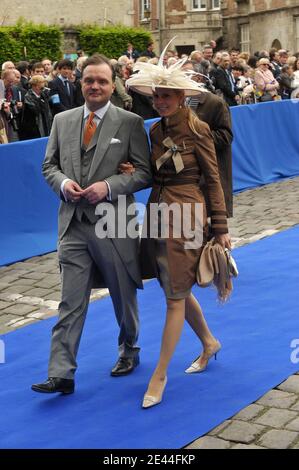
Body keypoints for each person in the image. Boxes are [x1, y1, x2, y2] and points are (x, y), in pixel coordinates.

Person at [31, 54, 152, 394]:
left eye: (101, 81)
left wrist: (109, 186)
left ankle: (129, 349)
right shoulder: (62, 121)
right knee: (70, 301)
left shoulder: (129, 122)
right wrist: (64, 185)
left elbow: (144, 172)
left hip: (114, 221)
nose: (95, 86)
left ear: (112, 85)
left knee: (123, 295)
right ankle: (62, 373)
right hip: (72, 224)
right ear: (80, 83)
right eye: (89, 80)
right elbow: (48, 166)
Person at [126, 42, 231, 408]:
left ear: (182, 97)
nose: (161, 101)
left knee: (174, 296)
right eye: (158, 96)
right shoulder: (155, 131)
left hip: (187, 213)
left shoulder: (199, 129)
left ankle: (160, 374)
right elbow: (156, 172)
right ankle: (209, 342)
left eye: (168, 96)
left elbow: (213, 179)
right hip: (157, 212)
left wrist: (220, 228)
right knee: (177, 287)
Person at [20, 75, 52, 140]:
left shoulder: (43, 95)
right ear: (34, 85)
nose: (43, 87)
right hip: (34, 127)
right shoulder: (28, 96)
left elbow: (47, 109)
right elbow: (36, 109)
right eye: (41, 85)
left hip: (46, 124)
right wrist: (41, 101)